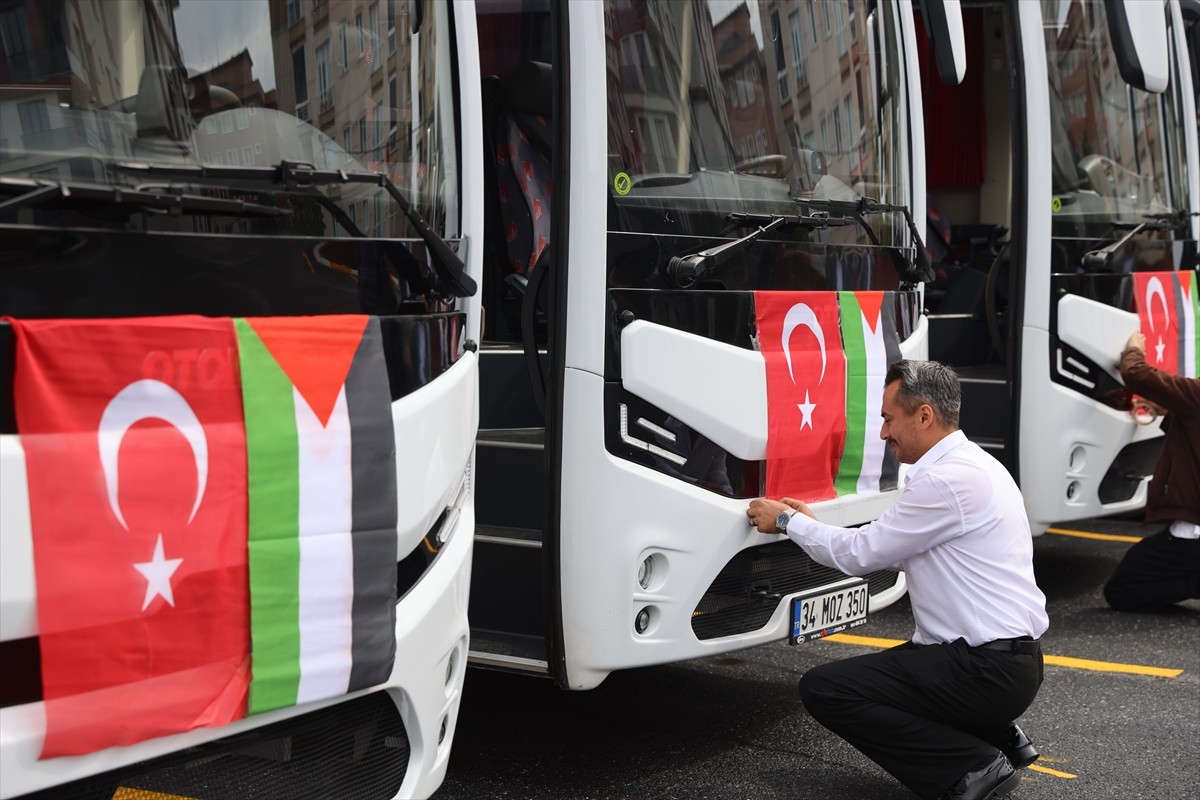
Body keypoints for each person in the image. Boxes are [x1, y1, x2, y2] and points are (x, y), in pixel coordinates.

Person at [747, 359, 1048, 800]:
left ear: (923, 415)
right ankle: (1000, 737)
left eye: (888, 419)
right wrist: (814, 527)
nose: (884, 433)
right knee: (896, 668)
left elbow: (864, 555)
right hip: (1008, 664)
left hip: (985, 671)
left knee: (827, 689)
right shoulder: (977, 464)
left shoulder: (947, 481)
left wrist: (790, 523)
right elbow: (892, 548)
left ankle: (973, 767)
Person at [1103, 330, 1200, 611]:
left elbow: (1136, 373)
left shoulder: (1195, 395)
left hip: (1193, 535)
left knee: (1121, 590)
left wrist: (1133, 349)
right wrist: (1170, 409)